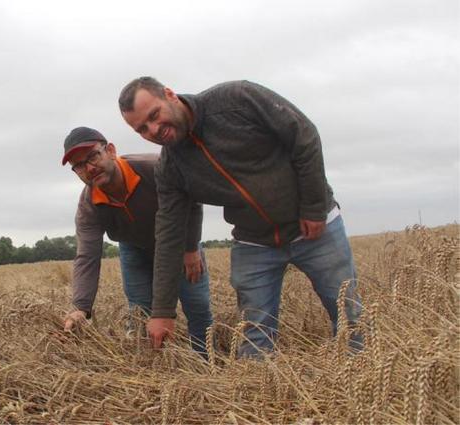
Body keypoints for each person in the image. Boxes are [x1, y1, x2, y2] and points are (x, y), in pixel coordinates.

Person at [118, 77, 362, 358]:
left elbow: (303, 135)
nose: (154, 130)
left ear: (170, 95)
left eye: (154, 115)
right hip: (254, 243)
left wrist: (314, 207)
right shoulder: (170, 168)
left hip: (316, 228)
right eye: (142, 129)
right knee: (255, 335)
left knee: (349, 316)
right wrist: (162, 311)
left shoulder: (237, 98)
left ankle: (362, 380)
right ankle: (259, 395)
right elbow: (169, 231)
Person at [60, 126, 213, 355]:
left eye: (93, 156)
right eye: (79, 166)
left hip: (179, 242)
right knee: (140, 310)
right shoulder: (89, 206)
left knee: (197, 304)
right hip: (134, 248)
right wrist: (81, 307)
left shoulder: (154, 168)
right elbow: (87, 256)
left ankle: (204, 358)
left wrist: (191, 248)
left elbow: (191, 199)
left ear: (110, 150)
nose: (89, 168)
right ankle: (149, 364)